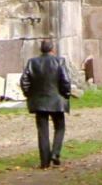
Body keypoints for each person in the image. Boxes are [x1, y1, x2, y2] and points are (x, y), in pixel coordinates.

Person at [20, 39, 74, 168]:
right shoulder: (59, 61)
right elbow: (65, 81)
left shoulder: (32, 62)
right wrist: (66, 95)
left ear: (41, 49)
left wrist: (29, 94)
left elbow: (24, 81)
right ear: (52, 49)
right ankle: (55, 153)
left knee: (42, 131)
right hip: (57, 100)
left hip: (39, 101)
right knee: (60, 128)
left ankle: (44, 162)